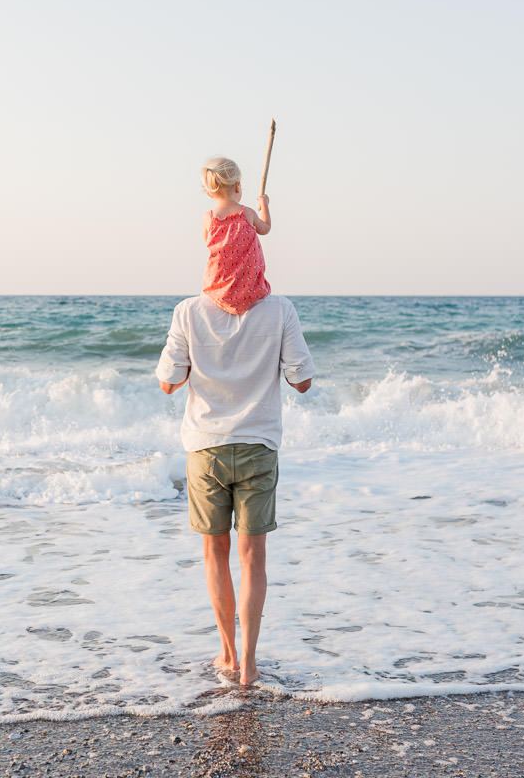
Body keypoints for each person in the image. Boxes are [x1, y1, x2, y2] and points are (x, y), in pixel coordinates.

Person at [156, 290, 315, 687]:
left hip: (206, 449)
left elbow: (168, 382)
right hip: (258, 447)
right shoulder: (280, 309)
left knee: (215, 553)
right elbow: (303, 380)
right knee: (253, 559)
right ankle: (248, 664)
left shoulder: (189, 312)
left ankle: (227, 653)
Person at [200, 157, 272, 315]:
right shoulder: (247, 213)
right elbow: (266, 228)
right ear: (238, 186)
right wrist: (265, 204)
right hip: (251, 289)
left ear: (209, 192)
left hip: (218, 289)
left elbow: (209, 244)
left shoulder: (208, 218)